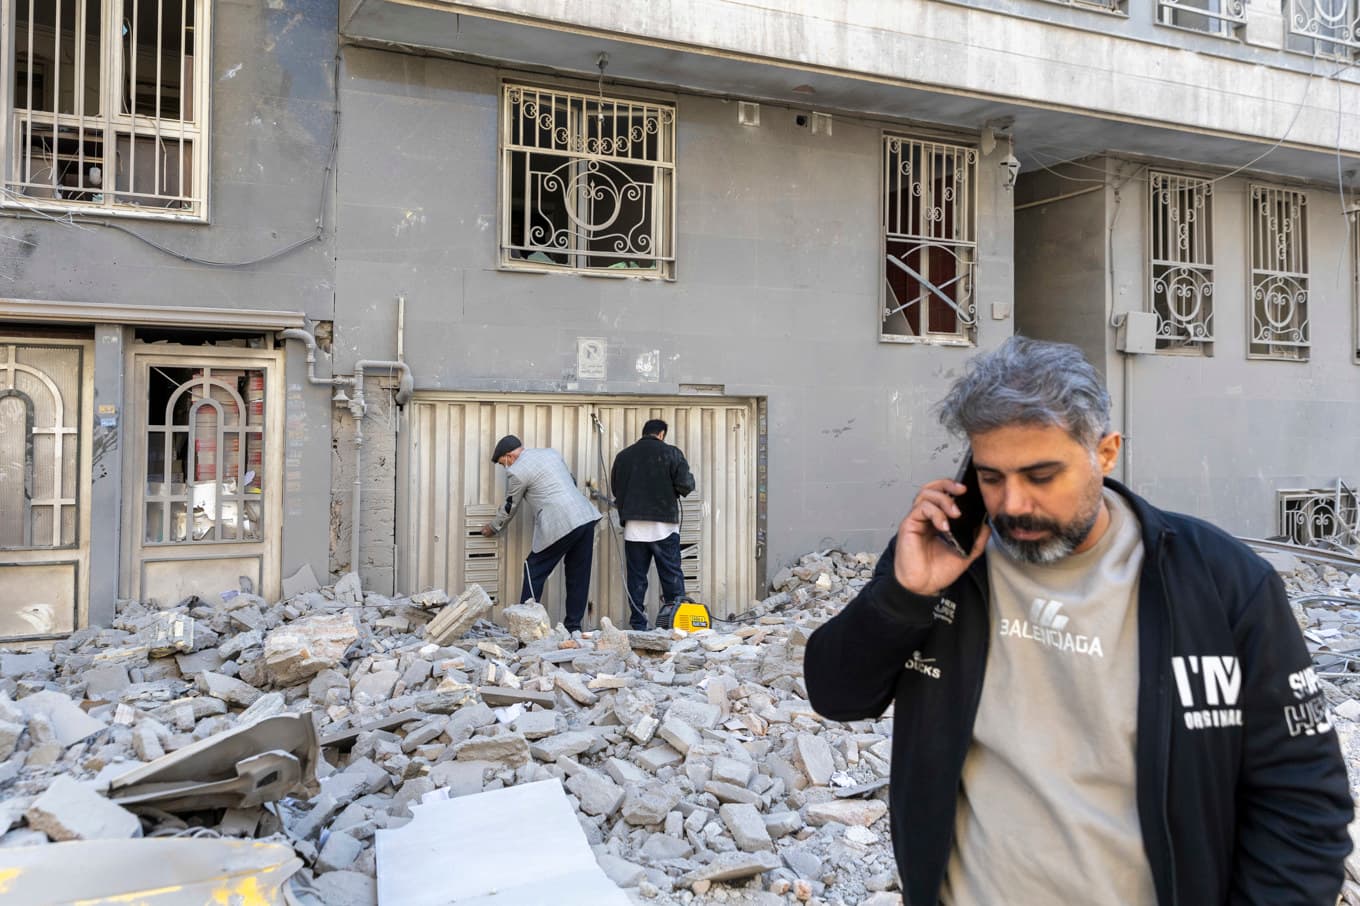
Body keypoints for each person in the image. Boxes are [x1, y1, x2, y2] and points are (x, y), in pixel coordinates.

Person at [804, 336, 1352, 906]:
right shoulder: (944, 566)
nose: (1013, 504)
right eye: (992, 478)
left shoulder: (1220, 583)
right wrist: (903, 596)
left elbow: (1304, 800)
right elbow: (837, 695)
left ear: (1106, 452)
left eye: (1042, 476)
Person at [481, 435, 601, 632]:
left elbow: (511, 505)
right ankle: (573, 627)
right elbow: (570, 479)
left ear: (510, 456)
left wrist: (494, 527)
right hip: (585, 517)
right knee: (578, 574)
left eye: (504, 463)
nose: (506, 468)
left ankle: (526, 626)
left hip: (561, 521)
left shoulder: (518, 471)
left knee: (533, 568)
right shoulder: (550, 453)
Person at [609, 419, 696, 630]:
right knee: (671, 574)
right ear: (662, 434)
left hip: (634, 529)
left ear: (644, 433)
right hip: (664, 526)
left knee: (637, 579)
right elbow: (685, 484)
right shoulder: (672, 453)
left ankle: (638, 624)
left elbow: (616, 489)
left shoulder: (623, 456)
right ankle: (677, 625)